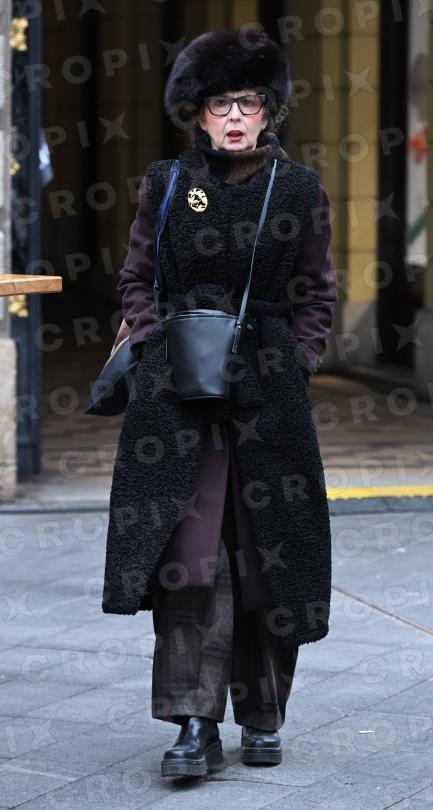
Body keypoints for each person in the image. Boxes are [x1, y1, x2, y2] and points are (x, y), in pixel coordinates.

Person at [103, 29, 338, 779]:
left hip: (269, 400)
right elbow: (136, 277)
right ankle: (193, 722)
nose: (235, 116)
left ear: (270, 110)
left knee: (270, 557)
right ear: (197, 113)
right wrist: (152, 344)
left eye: (249, 102)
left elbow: (317, 294)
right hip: (177, 400)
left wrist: (296, 361)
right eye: (219, 104)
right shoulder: (167, 182)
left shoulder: (299, 189)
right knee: (189, 557)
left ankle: (263, 717)